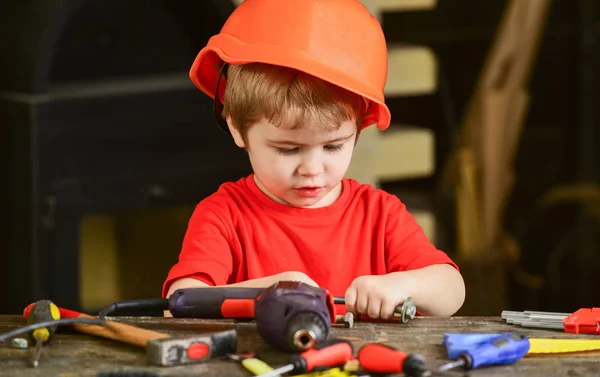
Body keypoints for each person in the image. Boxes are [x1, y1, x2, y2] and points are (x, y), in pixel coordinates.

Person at [162, 0, 465, 319]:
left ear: (359, 128)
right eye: (287, 149)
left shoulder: (378, 214)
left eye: (333, 146)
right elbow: (180, 303)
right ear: (237, 128)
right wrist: (269, 290)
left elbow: (452, 290)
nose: (311, 169)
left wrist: (404, 284)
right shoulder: (223, 216)